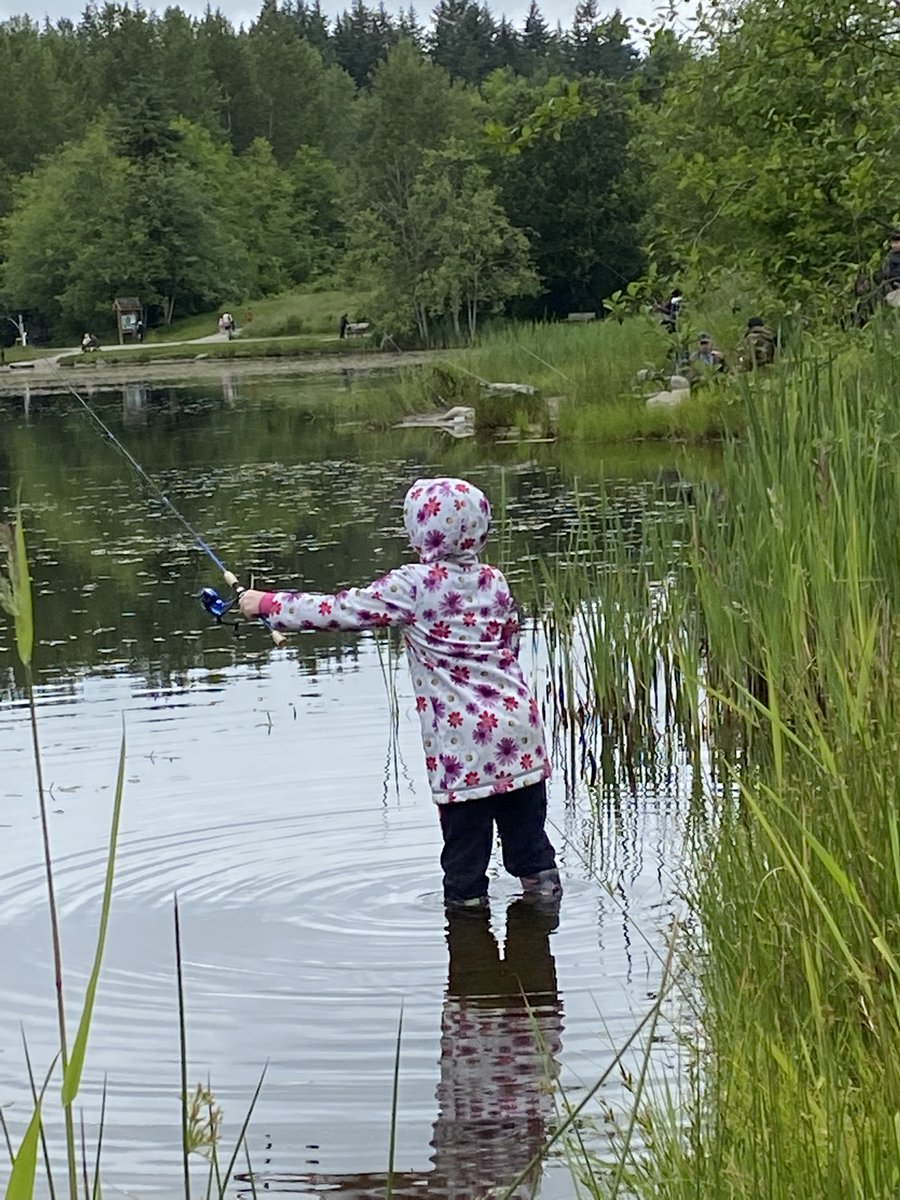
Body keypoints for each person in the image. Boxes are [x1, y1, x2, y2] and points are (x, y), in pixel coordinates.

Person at [238, 477, 562, 912]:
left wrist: (267, 605)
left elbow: (340, 611)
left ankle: (469, 957)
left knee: (465, 869)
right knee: (531, 851)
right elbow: (508, 645)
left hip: (464, 750)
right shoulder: (494, 580)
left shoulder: (413, 584)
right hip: (521, 735)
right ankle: (541, 939)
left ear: (420, 531)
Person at [880, 231, 900, 304]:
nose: (894, 245)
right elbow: (886, 274)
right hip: (894, 285)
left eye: (896, 243)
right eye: (892, 243)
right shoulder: (889, 257)